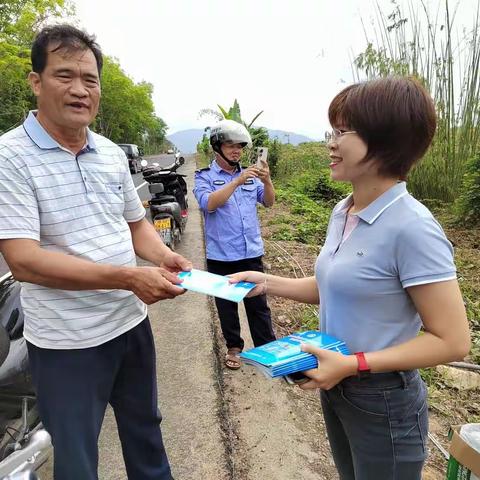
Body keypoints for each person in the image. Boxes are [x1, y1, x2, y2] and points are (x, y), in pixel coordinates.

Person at [230, 76, 471, 479]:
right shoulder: (345, 210)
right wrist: (266, 282)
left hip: (383, 401)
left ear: (385, 140)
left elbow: (453, 340)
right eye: (332, 130)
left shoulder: (412, 227)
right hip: (337, 381)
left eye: (343, 131)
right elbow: (334, 288)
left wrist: (354, 364)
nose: (331, 142)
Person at [0, 24, 191, 480]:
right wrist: (128, 278)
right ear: (36, 81)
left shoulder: (108, 153)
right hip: (67, 342)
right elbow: (23, 260)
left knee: (147, 432)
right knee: (79, 458)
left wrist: (161, 257)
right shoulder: (10, 156)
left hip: (129, 325)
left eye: (90, 79)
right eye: (65, 75)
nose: (80, 89)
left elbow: (136, 226)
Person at [193, 119, 276, 370]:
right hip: (221, 255)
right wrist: (236, 182)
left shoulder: (251, 176)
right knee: (227, 306)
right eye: (230, 145)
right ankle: (234, 347)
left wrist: (268, 180)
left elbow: (269, 202)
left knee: (258, 305)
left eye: (240, 146)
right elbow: (208, 204)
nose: (236, 150)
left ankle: (267, 349)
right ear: (217, 147)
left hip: (250, 251)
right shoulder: (204, 177)